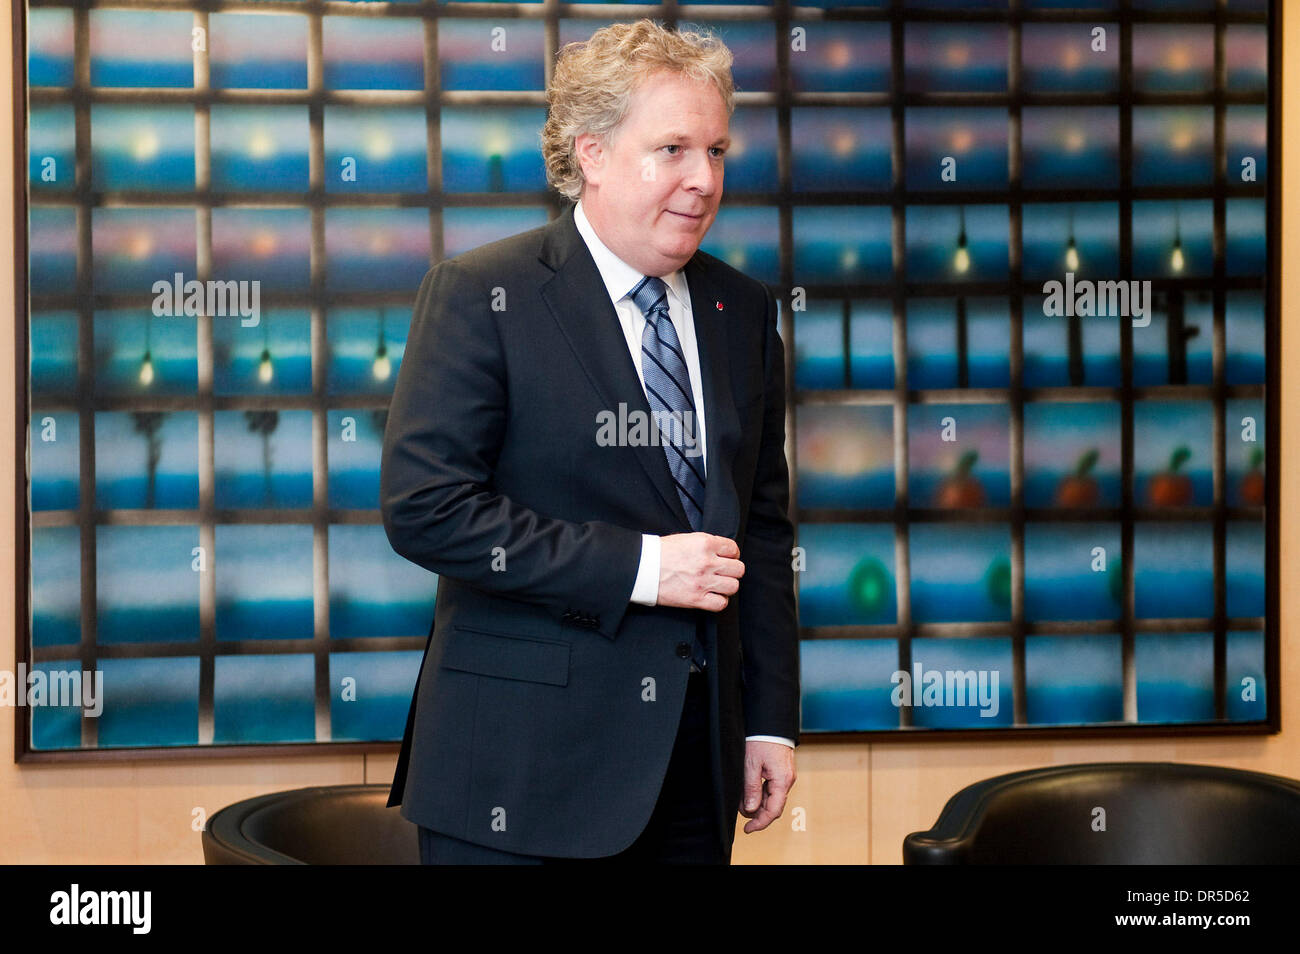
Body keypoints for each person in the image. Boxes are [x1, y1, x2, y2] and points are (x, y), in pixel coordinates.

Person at [380, 18, 798, 864]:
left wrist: (770, 724)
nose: (703, 180)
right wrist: (644, 569)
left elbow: (762, 528)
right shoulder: (479, 294)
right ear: (593, 153)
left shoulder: (743, 312)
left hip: (695, 774)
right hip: (520, 775)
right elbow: (427, 510)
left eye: (716, 152)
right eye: (672, 149)